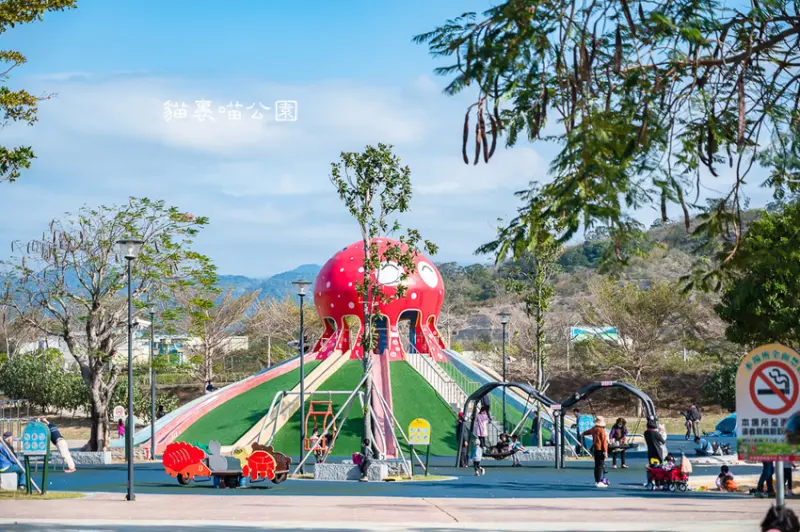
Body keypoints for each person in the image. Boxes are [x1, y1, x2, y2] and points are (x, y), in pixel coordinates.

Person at [581, 416, 608, 488]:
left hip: (595, 448)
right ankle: (599, 482)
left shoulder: (594, 429)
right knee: (600, 466)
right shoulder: (601, 430)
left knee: (596, 465)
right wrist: (605, 451)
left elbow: (587, 432)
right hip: (600, 449)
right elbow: (604, 442)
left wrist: (583, 433)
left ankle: (597, 481)